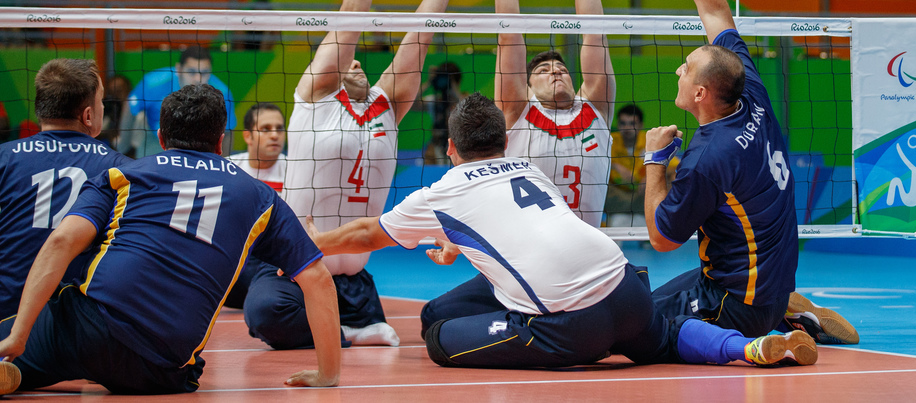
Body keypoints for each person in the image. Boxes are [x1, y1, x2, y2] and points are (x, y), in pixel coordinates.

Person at [303, 92, 818, 370]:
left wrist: (298, 246)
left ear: (452, 150)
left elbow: (365, 233)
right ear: (505, 141)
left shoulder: (444, 190)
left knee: (438, 337)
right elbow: (507, 227)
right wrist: (452, 241)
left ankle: (534, 325)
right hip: (628, 291)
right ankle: (748, 348)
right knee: (661, 338)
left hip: (573, 329)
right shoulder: (526, 168)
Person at [242, 0, 475, 351]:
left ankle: (352, 326)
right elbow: (351, 12)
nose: (350, 60)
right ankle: (351, 335)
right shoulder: (313, 97)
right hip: (298, 272)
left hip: (355, 280)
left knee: (430, 325)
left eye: (359, 58)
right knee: (265, 314)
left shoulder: (387, 105)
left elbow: (421, 36)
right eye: (342, 56)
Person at [0, 84, 342, 394]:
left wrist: (19, 336)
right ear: (222, 140)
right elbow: (317, 278)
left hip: (92, 329)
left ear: (161, 137)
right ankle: (30, 371)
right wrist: (328, 374)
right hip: (163, 366)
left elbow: (62, 242)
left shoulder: (124, 174)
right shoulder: (260, 196)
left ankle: (18, 367)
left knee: (38, 337)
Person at [641, 0, 860, 346]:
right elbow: (716, 10)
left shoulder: (706, 157)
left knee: (631, 327)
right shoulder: (748, 88)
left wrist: (654, 162)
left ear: (700, 93)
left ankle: (752, 347)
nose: (679, 70)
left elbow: (661, 239)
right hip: (772, 286)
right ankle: (793, 312)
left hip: (733, 302)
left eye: (686, 68)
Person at [477, 0, 614, 228]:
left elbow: (593, 32)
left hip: (588, 254)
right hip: (530, 259)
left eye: (562, 68)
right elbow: (508, 34)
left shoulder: (595, 106)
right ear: (526, 86)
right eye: (541, 69)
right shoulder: (518, 110)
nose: (555, 70)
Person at [0, 59, 131, 320]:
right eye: (101, 101)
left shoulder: (5, 158)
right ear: (88, 115)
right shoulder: (120, 169)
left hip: (6, 312)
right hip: (77, 322)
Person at [125, 46, 237, 158]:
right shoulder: (153, 83)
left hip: (201, 147)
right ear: (179, 69)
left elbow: (227, 132)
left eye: (204, 72)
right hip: (157, 140)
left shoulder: (222, 93)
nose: (198, 78)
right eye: (191, 72)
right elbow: (130, 108)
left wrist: (223, 162)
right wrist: (122, 149)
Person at [229, 102, 287, 191]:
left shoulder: (294, 170)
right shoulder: (228, 166)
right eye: (265, 129)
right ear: (248, 136)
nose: (275, 135)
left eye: (279, 129)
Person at [418, 62, 466, 165]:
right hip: (436, 146)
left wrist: (453, 88)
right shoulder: (435, 101)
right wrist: (429, 82)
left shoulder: (464, 100)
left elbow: (467, 108)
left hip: (460, 148)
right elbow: (410, 103)